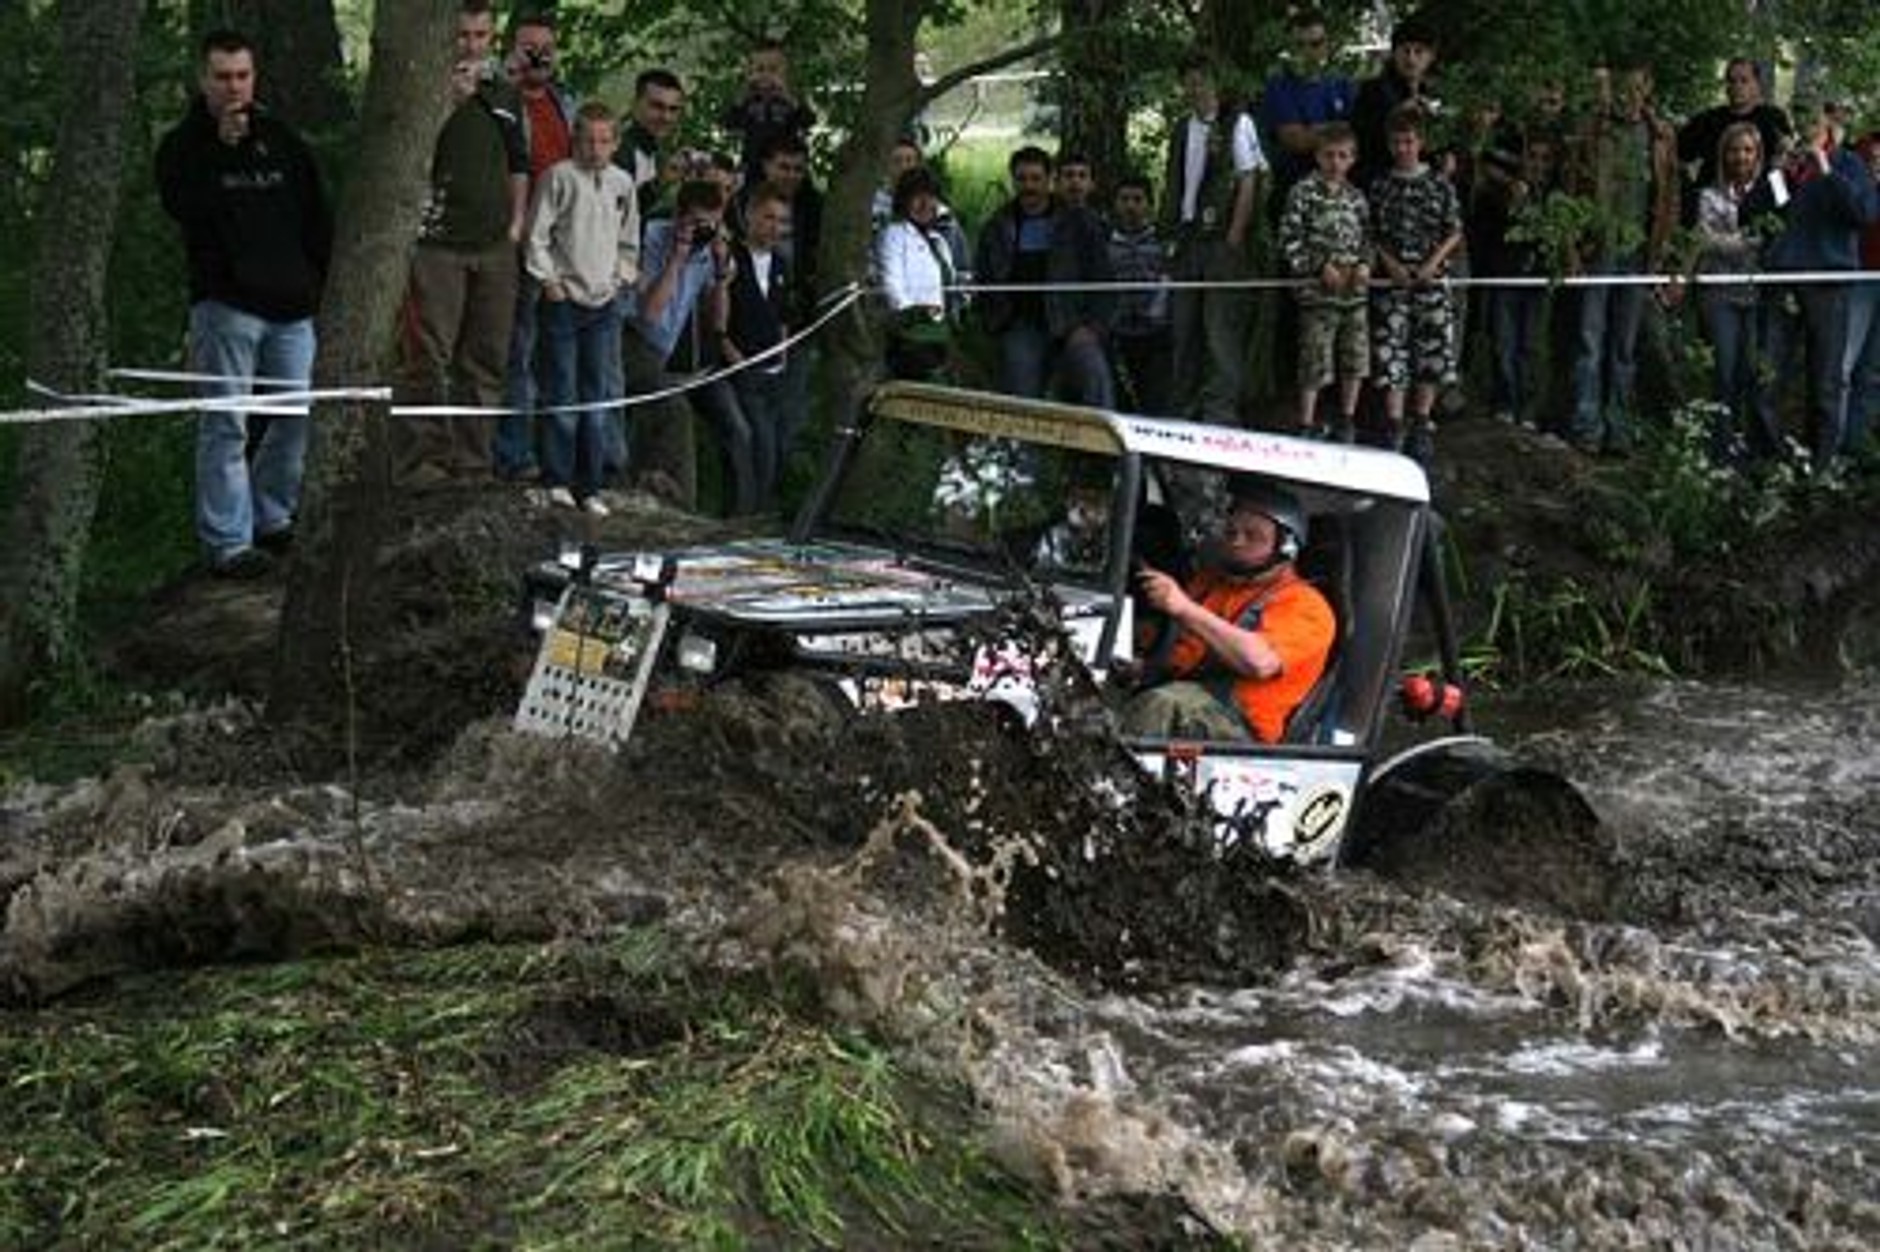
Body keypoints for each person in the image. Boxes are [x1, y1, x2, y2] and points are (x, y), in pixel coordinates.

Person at [155, 28, 331, 577]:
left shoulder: (282, 138)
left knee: (296, 416)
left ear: (254, 76)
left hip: (291, 308)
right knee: (226, 424)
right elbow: (182, 207)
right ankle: (228, 542)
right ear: (202, 79)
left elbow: (316, 217)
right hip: (226, 305)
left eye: (242, 76)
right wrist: (222, 150)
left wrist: (316, 283)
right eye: (223, 77)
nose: (234, 87)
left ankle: (272, 516)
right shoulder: (184, 145)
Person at [394, 0, 528, 487]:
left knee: (486, 357)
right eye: (462, 35)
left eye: (479, 35)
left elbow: (519, 163)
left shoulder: (504, 94)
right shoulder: (423, 89)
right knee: (428, 354)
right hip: (438, 244)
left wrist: (515, 227)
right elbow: (408, 159)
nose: (470, 45)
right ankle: (423, 460)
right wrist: (447, 101)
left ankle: (475, 462)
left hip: (494, 244)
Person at [1122, 477, 1334, 744]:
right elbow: (1184, 648)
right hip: (1188, 695)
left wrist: (1184, 608)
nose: (1237, 542)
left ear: (1286, 546)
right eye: (1231, 532)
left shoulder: (1306, 605)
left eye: (1252, 536)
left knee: (1160, 705)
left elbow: (1260, 662)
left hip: (1240, 729)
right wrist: (1144, 665)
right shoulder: (1213, 582)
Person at [1740, 98, 1879, 466]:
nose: (1805, 127)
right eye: (1799, 120)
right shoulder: (1789, 169)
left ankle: (1819, 468)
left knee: (1826, 382)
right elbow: (1752, 213)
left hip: (1828, 283)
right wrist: (1775, 173)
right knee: (1766, 376)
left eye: (1812, 120)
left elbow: (1863, 214)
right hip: (1783, 280)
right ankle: (1768, 461)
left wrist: (1827, 171)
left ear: (1828, 124)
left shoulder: (1849, 164)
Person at [524, 102, 639, 515]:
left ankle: (590, 484)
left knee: (598, 393)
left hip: (604, 300)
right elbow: (537, 234)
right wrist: (549, 281)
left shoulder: (622, 183)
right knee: (561, 387)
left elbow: (629, 241)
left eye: (604, 140)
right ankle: (556, 476)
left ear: (615, 143)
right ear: (576, 138)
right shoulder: (559, 177)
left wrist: (621, 277)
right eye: (588, 139)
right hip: (564, 300)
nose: (596, 148)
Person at [1563, 62, 1677, 456]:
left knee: (1625, 345)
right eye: (1624, 88)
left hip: (1639, 251)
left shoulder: (1660, 134)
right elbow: (1572, 187)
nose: (1630, 96)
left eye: (1638, 87)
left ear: (1648, 88)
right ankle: (1586, 425)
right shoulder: (1594, 129)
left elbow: (1670, 197)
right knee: (1589, 339)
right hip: (1598, 248)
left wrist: (1663, 253)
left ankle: (1619, 428)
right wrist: (1572, 248)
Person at [495, 10, 579, 481]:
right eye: (529, 48)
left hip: (562, 248)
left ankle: (559, 459)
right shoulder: (501, 102)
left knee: (558, 354)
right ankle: (513, 455)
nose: (538, 57)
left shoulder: (565, 104)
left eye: (546, 49)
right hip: (517, 242)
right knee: (517, 352)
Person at [1161, 54, 1265, 425]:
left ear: (1216, 83)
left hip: (1222, 238)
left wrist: (1234, 237)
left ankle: (1220, 412)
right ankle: (1182, 408)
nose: (1195, 88)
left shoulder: (1237, 123)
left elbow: (1248, 180)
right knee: (1184, 327)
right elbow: (1175, 183)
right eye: (1189, 81)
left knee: (1220, 331)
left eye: (1202, 80)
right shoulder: (1182, 128)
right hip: (1187, 237)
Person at [621, 178, 735, 508]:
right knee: (673, 408)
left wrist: (721, 275)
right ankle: (682, 503)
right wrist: (678, 257)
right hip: (628, 340)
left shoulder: (711, 249)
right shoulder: (654, 237)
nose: (704, 231)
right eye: (697, 222)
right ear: (679, 216)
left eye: (711, 223)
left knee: (663, 408)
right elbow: (649, 314)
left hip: (659, 352)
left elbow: (718, 323)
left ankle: (658, 492)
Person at [974, 145, 1116, 406]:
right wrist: (996, 323)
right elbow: (983, 279)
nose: (1029, 186)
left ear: (1050, 180)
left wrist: (1093, 326)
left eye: (1036, 179)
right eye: (1022, 179)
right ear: (1013, 180)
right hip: (1020, 323)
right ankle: (1023, 446)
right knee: (1020, 388)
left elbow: (1103, 278)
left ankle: (1103, 444)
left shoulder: (1080, 222)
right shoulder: (997, 226)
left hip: (1072, 322)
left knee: (1094, 373)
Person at [1369, 104, 1463, 461]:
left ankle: (1422, 421)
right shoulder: (1381, 184)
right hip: (1392, 281)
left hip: (1432, 280)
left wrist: (1432, 265)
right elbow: (1372, 233)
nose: (1403, 148)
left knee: (1432, 350)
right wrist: (1390, 264)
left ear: (1420, 142)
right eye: (1396, 142)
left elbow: (1454, 231)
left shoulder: (1439, 184)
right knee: (1390, 349)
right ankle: (1394, 424)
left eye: (1409, 141)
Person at [704, 180, 794, 512]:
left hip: (773, 370)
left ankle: (761, 510)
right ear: (750, 216)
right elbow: (718, 317)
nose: (775, 227)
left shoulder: (782, 264)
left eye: (782, 221)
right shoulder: (733, 259)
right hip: (739, 367)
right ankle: (741, 514)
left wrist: (782, 353)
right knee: (751, 441)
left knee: (774, 446)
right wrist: (735, 356)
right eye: (769, 218)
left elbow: (784, 315)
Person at [1278, 121, 1370, 442]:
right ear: (1317, 156)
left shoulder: (1356, 197)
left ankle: (1347, 421)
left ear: (1352, 159)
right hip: (1316, 294)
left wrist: (1363, 266)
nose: (1336, 162)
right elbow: (1289, 240)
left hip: (1353, 295)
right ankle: (1306, 423)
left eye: (1343, 156)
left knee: (1354, 358)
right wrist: (1318, 267)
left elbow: (1368, 240)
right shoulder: (1303, 192)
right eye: (1329, 155)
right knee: (1314, 359)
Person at [1691, 121, 1765, 458]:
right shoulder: (1709, 194)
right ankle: (1719, 446)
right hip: (1718, 292)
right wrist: (1749, 239)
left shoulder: (1770, 191)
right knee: (1723, 367)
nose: (1741, 157)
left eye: (1748, 150)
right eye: (1735, 150)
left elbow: (1780, 231)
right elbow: (1708, 241)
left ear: (1757, 155)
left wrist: (1740, 239)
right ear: (1724, 155)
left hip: (1756, 292)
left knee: (1750, 370)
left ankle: (1745, 442)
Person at [1260, 7, 1356, 224]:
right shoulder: (1278, 86)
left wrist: (1314, 130)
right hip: (1293, 200)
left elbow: (1355, 136)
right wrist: (1339, 128)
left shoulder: (1342, 83)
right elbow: (1297, 141)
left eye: (1315, 44)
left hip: (1339, 199)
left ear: (1327, 44)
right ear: (1289, 47)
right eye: (1299, 45)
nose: (1307, 51)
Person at [1677, 58, 1791, 223]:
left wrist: (1781, 207)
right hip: (1712, 207)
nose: (1736, 86)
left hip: (1760, 205)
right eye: (1731, 81)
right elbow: (1678, 155)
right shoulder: (1708, 120)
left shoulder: (1773, 118)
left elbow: (1782, 165)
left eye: (1744, 81)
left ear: (1756, 85)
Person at [875, 167, 956, 382]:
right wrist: (911, 315)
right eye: (916, 197)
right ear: (904, 200)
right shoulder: (894, 234)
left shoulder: (938, 240)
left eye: (930, 197)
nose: (925, 204)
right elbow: (891, 284)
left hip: (940, 333)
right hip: (910, 338)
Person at [1106, 175, 1174, 415]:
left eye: (1137, 199)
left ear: (1149, 204)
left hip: (1155, 333)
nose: (1131, 206)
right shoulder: (1106, 244)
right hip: (1117, 331)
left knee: (1155, 395)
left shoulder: (1163, 243)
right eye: (1124, 199)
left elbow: (1168, 282)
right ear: (1115, 204)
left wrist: (1158, 313)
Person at [1352, 16, 1440, 190]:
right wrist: (1396, 114)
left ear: (1431, 57)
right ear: (1394, 53)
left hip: (1424, 181)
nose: (1411, 58)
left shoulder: (1434, 93)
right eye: (1405, 50)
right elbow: (1360, 139)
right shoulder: (1372, 90)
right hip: (1382, 181)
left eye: (1419, 51)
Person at [719, 38, 816, 184]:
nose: (766, 75)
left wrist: (787, 95)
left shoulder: (791, 97)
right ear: (750, 71)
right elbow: (728, 123)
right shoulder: (747, 98)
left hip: (785, 169)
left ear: (785, 71)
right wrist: (743, 94)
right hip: (754, 168)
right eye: (760, 69)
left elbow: (808, 121)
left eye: (773, 69)